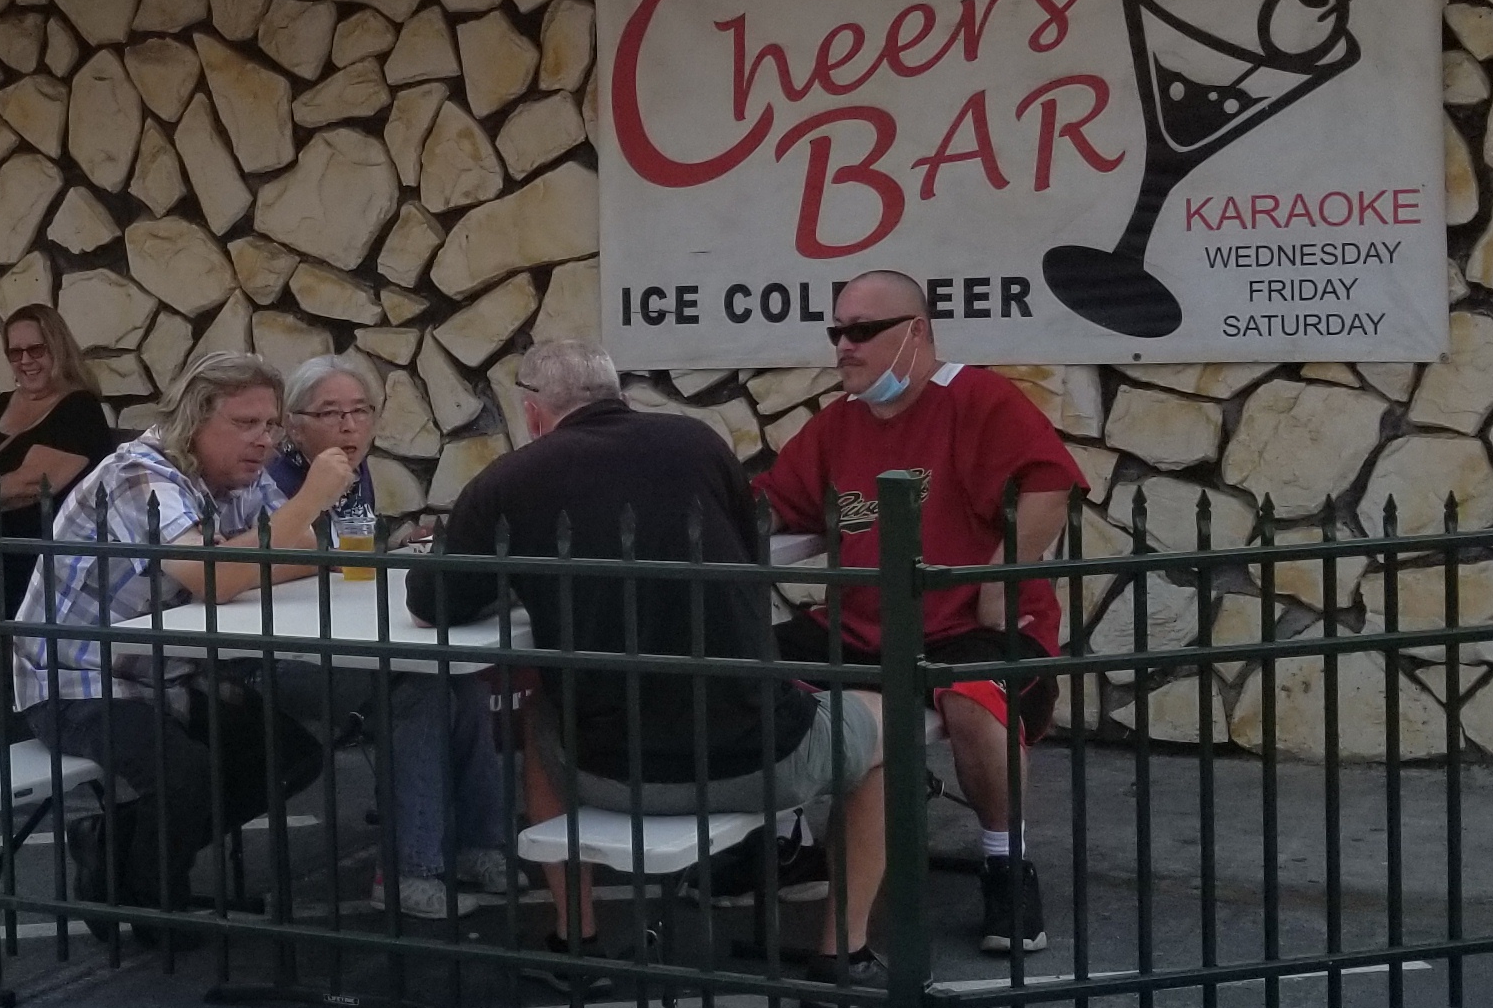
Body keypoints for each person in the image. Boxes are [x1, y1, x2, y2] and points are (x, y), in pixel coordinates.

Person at [416, 339, 883, 958]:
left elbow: (433, 602)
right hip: (763, 758)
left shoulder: (508, 480)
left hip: (609, 771)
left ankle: (575, 937)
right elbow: (749, 556)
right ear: (617, 395)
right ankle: (844, 951)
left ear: (531, 411)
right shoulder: (698, 443)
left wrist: (519, 577)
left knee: (543, 710)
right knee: (886, 725)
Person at [753, 269, 1084, 958]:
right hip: (859, 628)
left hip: (971, 631)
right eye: (837, 331)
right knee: (743, 666)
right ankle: (788, 840)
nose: (843, 345)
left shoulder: (978, 398)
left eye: (862, 331)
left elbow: (1050, 483)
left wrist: (998, 579)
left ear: (916, 332)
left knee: (972, 700)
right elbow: (777, 502)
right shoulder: (837, 424)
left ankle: (1006, 862)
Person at [16, 352, 352, 920]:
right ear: (194, 420)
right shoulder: (140, 474)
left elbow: (311, 551)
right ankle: (155, 909)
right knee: (184, 774)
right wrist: (303, 506)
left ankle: (115, 850)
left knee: (290, 757)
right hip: (78, 677)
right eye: (244, 423)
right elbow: (215, 577)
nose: (263, 440)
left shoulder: (239, 476)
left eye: (270, 425)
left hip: (169, 672)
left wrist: (241, 558)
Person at [265, 355, 507, 919]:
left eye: (360, 411)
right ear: (294, 425)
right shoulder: (277, 478)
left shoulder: (356, 473)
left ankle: (476, 843)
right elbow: (286, 559)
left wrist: (395, 547)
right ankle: (407, 870)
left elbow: (348, 559)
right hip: (279, 652)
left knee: (463, 682)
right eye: (330, 413)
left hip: (343, 631)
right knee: (418, 692)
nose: (349, 426)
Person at [0, 302, 116, 605]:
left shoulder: (80, 409)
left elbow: (27, 486)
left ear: (58, 349)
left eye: (36, 350)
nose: (26, 360)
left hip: (30, 559)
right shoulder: (0, 404)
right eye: (15, 353)